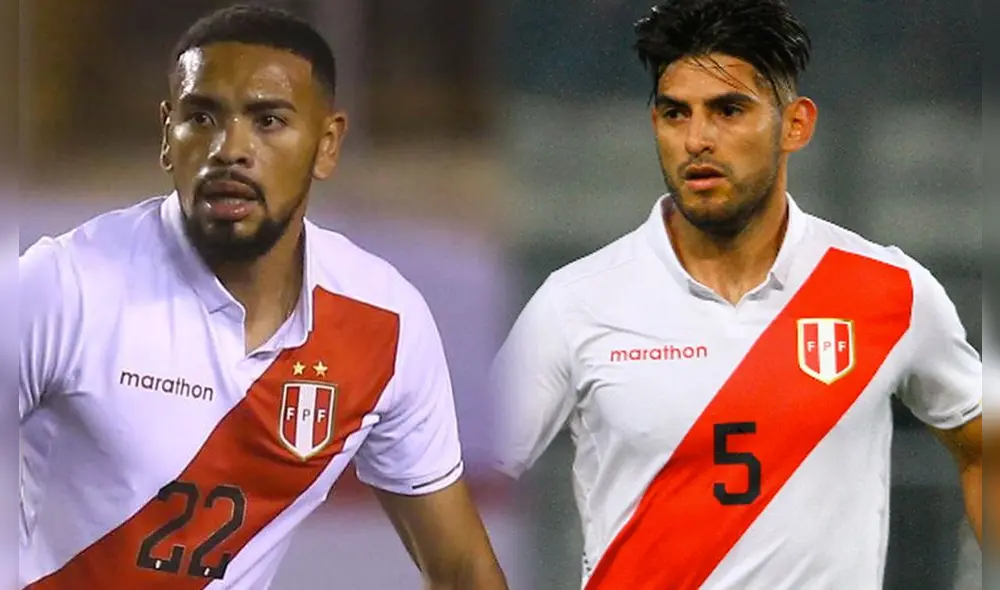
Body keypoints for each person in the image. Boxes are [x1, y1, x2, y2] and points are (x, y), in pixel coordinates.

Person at [490, 1, 982, 588]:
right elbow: (455, 484)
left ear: (795, 124)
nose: (697, 139)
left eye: (728, 110)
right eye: (676, 113)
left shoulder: (890, 289)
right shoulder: (576, 303)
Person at [18, 5, 507, 589]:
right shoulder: (65, 287)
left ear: (327, 144)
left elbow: (461, 568)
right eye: (202, 117)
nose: (230, 149)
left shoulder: (385, 324)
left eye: (268, 120)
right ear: (167, 136)